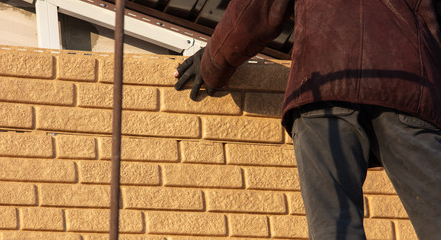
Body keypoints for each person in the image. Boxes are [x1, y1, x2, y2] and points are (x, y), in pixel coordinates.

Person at [174, 0, 441, 239]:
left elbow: (255, 9)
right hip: (409, 91)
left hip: (324, 87)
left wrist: (211, 64)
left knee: (335, 226)